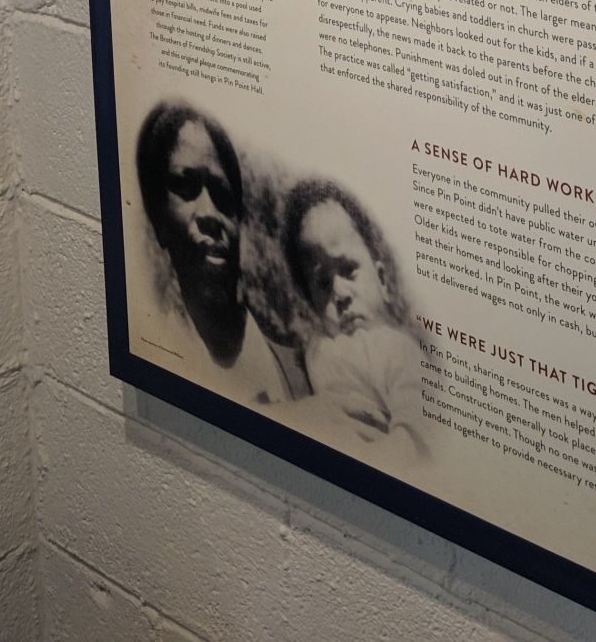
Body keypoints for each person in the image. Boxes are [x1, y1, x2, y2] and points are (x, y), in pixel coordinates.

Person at [135, 102, 300, 404]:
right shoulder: (154, 351)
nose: (209, 213)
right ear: (159, 221)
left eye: (222, 194)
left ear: (239, 220)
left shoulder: (304, 378)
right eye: (186, 187)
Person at [282, 178, 427, 459]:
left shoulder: (397, 350)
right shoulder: (314, 349)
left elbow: (414, 437)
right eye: (323, 283)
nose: (339, 293)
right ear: (311, 304)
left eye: (348, 270)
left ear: (382, 280)